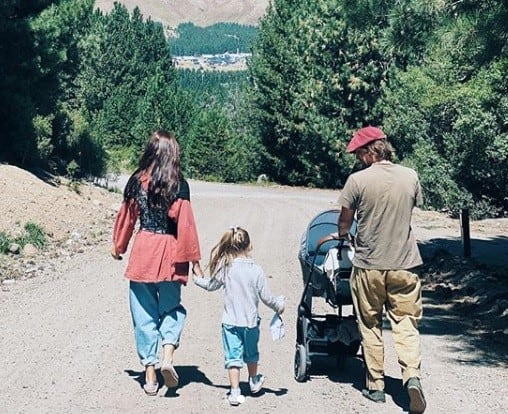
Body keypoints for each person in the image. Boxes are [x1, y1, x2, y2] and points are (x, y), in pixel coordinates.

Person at [337, 126, 426, 414]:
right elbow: (412, 208)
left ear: (368, 151)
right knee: (406, 324)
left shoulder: (357, 181)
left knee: (370, 324)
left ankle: (375, 386)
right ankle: (411, 375)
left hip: (369, 265)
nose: (358, 158)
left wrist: (343, 235)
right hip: (404, 264)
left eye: (359, 153)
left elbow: (345, 223)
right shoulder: (410, 176)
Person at [111, 130, 203, 396]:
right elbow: (186, 225)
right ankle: (167, 356)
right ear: (173, 154)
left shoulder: (136, 182)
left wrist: (119, 246)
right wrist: (194, 261)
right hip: (171, 254)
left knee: (143, 314)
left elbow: (127, 218)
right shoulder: (179, 184)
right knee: (171, 308)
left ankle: (150, 375)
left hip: (144, 251)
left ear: (150, 150)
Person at [192, 226, 285, 406]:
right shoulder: (256, 269)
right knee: (251, 353)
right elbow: (266, 297)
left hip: (230, 322)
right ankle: (254, 380)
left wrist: (197, 279)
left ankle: (234, 392)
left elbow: (211, 285)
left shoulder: (226, 268)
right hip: (250, 322)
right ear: (249, 245)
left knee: (233, 357)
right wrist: (279, 306)